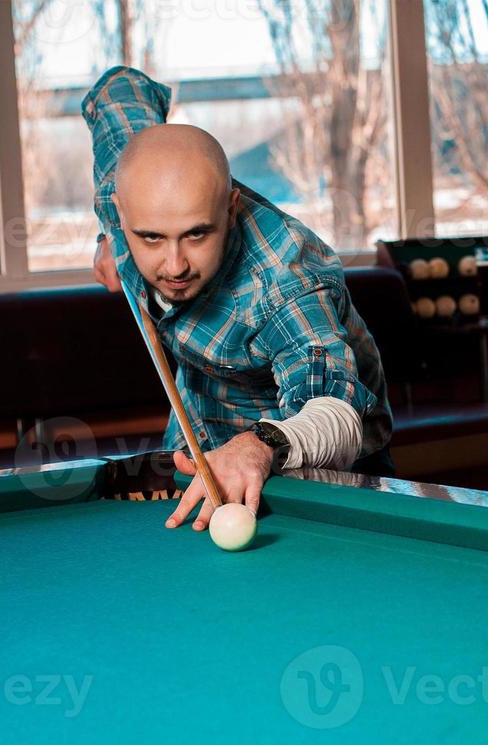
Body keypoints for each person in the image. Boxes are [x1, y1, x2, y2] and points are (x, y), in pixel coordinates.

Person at [82, 66, 394, 532]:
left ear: (229, 209)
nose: (174, 266)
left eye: (197, 234)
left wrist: (258, 444)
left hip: (311, 464)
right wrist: (110, 241)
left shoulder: (286, 281)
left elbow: (337, 415)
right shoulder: (119, 193)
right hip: (198, 443)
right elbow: (119, 88)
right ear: (121, 210)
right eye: (150, 237)